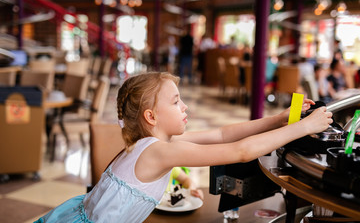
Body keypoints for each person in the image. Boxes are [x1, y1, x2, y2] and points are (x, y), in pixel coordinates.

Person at [35, 72, 332, 223]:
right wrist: (303, 127)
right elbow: (240, 151)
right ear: (151, 117)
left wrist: (278, 119)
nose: (184, 106)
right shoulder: (159, 151)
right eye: (176, 101)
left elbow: (223, 133)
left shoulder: (156, 143)